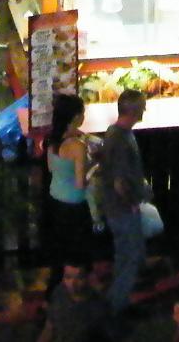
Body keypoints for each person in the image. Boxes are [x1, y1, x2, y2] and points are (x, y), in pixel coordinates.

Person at [96, 90, 151, 316]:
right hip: (123, 209)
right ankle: (117, 305)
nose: (145, 111)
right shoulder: (122, 140)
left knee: (123, 256)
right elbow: (120, 182)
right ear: (134, 111)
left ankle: (117, 301)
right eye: (142, 107)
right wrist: (132, 203)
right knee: (132, 256)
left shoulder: (113, 133)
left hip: (113, 208)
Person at [44, 95, 95, 291]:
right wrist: (95, 165)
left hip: (55, 201)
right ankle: (75, 292)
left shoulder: (53, 139)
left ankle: (55, 292)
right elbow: (80, 182)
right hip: (74, 206)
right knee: (77, 255)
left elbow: (50, 168)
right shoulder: (77, 146)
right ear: (75, 117)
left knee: (60, 253)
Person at [38, 260, 112, 342]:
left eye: (79, 278)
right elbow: (49, 328)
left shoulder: (98, 306)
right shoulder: (59, 292)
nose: (72, 283)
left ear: (88, 277)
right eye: (68, 277)